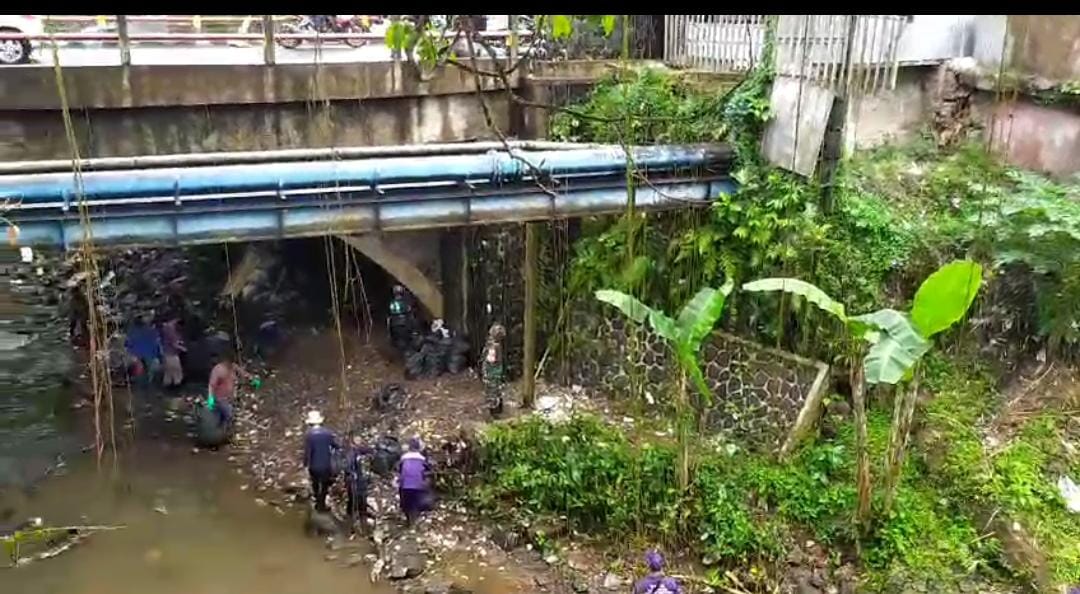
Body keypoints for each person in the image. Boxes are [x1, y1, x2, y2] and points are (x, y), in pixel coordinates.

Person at [303, 410, 339, 512]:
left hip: (314, 465)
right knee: (324, 485)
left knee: (315, 483)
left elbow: (308, 452)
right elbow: (336, 445)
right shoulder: (328, 433)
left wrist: (305, 465)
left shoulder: (309, 435)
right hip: (326, 465)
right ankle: (321, 504)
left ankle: (317, 501)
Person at [397, 437, 430, 526]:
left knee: (406, 503)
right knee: (416, 502)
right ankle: (414, 520)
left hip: (405, 486)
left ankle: (408, 519)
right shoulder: (422, 459)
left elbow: (399, 471)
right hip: (418, 486)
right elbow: (427, 471)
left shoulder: (403, 458)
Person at [344, 431, 372, 531]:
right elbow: (348, 468)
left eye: (359, 439)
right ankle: (350, 525)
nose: (359, 441)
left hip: (361, 481)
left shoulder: (360, 451)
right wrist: (352, 475)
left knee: (361, 501)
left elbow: (368, 452)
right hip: (354, 481)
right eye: (357, 439)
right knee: (354, 501)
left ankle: (360, 523)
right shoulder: (351, 453)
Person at [125, 313, 162, 386]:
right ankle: (149, 384)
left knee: (140, 371)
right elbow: (156, 341)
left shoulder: (132, 331)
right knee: (149, 372)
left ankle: (142, 384)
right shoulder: (150, 330)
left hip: (138, 353)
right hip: (149, 354)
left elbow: (128, 343)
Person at [207, 350, 241, 427]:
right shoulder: (218, 370)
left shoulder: (233, 367)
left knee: (225, 418)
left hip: (230, 398)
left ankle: (224, 430)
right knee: (229, 415)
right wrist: (210, 398)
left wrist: (252, 379)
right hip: (220, 399)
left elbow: (242, 373)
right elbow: (211, 385)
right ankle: (224, 431)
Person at [481, 323, 506, 416]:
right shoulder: (495, 346)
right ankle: (494, 410)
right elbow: (491, 359)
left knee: (492, 390)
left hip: (490, 371)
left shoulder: (489, 344)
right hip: (493, 371)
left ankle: (494, 407)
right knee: (494, 390)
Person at [388, 285, 416, 355]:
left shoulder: (392, 303)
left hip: (395, 322)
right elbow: (409, 310)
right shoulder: (404, 302)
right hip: (404, 322)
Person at [161, 317, 186, 389]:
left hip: (166, 352)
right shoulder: (171, 329)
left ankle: (166, 387)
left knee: (168, 372)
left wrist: (180, 342)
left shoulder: (171, 326)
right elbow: (174, 343)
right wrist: (183, 349)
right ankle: (177, 386)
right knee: (177, 371)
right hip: (171, 353)